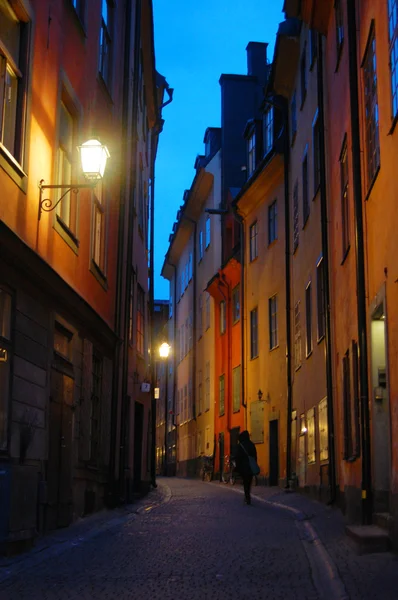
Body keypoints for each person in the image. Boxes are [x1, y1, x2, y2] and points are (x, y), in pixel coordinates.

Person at [234, 430, 257, 505]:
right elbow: (255, 456)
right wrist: (254, 464)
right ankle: (248, 496)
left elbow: (237, 457)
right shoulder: (251, 444)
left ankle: (247, 496)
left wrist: (237, 467)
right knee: (249, 481)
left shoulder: (241, 445)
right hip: (250, 466)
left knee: (245, 482)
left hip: (244, 467)